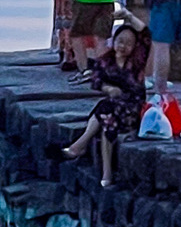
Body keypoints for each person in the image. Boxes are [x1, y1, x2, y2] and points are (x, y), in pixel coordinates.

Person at [54, 22, 148, 186]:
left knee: (105, 110)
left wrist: (129, 17)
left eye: (128, 43)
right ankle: (106, 173)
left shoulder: (137, 62)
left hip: (132, 109)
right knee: (107, 119)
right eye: (120, 41)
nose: (123, 46)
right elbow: (96, 81)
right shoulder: (106, 61)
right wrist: (108, 88)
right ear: (114, 41)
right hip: (113, 109)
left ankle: (79, 146)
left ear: (134, 46)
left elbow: (146, 35)